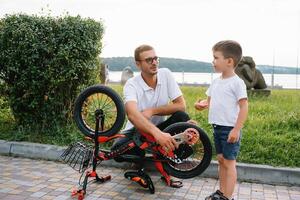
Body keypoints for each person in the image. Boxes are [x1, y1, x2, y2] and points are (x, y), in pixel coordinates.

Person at [112, 44, 191, 187]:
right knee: (116, 153)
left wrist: (153, 111)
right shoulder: (131, 84)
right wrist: (156, 133)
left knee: (182, 117)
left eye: (155, 58)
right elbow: (132, 114)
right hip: (136, 131)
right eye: (149, 60)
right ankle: (138, 164)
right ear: (138, 64)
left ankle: (169, 166)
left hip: (161, 129)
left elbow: (181, 105)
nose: (154, 62)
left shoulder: (165, 74)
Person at [194, 40, 248, 200]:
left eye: (216, 58)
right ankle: (222, 192)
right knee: (221, 160)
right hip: (217, 127)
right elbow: (210, 101)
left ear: (229, 61)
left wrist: (236, 129)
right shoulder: (216, 82)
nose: (213, 61)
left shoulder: (237, 83)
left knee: (229, 162)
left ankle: (227, 197)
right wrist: (201, 105)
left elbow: (244, 107)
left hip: (229, 129)